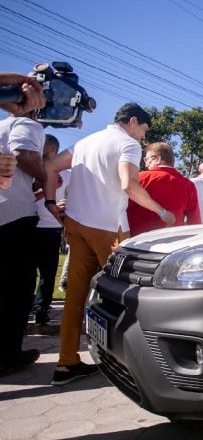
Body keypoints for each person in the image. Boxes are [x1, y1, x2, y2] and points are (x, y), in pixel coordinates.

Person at [43, 103, 176, 386]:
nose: (143, 136)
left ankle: (66, 362)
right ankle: (128, 363)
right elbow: (129, 185)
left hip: (76, 225)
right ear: (132, 121)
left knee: (76, 295)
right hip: (108, 230)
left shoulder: (85, 142)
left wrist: (50, 202)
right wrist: (161, 211)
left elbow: (50, 166)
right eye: (143, 130)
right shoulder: (127, 144)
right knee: (123, 297)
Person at [0, 73, 47, 376]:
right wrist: (49, 178)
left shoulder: (2, 125)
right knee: (17, 290)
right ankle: (8, 355)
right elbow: (22, 155)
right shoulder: (27, 124)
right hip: (15, 216)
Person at [29, 134, 68, 326]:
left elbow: (73, 196)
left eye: (45, 154)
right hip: (29, 225)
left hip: (52, 228)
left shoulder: (66, 175)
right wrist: (45, 190)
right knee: (27, 272)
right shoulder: (30, 171)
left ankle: (41, 310)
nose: (42, 158)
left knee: (48, 273)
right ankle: (28, 307)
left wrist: (65, 205)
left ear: (54, 151)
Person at [127, 142, 201, 236]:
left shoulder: (138, 179)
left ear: (157, 159)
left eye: (146, 159)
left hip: (137, 244)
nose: (145, 164)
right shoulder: (188, 185)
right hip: (173, 244)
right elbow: (195, 223)